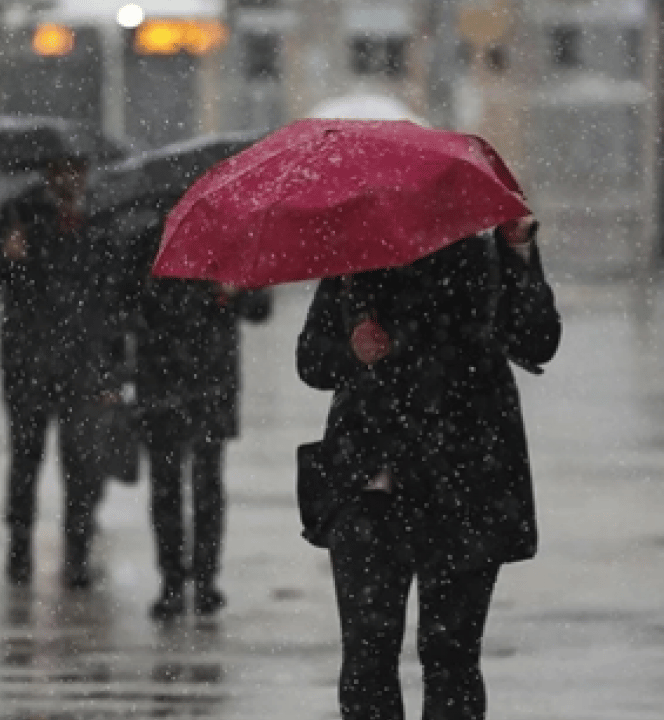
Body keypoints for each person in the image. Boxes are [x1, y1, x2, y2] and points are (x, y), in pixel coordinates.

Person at [295, 215, 560, 719]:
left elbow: (536, 340)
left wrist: (519, 251)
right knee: (367, 660)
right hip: (370, 485)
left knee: (451, 658)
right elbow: (311, 360)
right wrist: (352, 352)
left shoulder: (486, 258)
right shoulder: (354, 265)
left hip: (465, 484)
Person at [0, 157, 115, 588]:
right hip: (28, 360)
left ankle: (77, 556)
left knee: (82, 465)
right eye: (63, 170)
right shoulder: (19, 212)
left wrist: (109, 367)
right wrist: (5, 254)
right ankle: (19, 552)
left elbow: (112, 295)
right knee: (25, 461)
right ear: (50, 172)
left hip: (81, 363)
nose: (71, 178)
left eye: (78, 170)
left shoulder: (102, 216)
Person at [123, 216, 272, 619]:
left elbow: (260, 308)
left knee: (208, 486)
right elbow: (122, 304)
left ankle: (206, 580)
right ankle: (172, 581)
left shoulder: (231, 241)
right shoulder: (147, 243)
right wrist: (152, 293)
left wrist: (233, 293)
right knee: (167, 488)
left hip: (212, 382)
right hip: (161, 383)